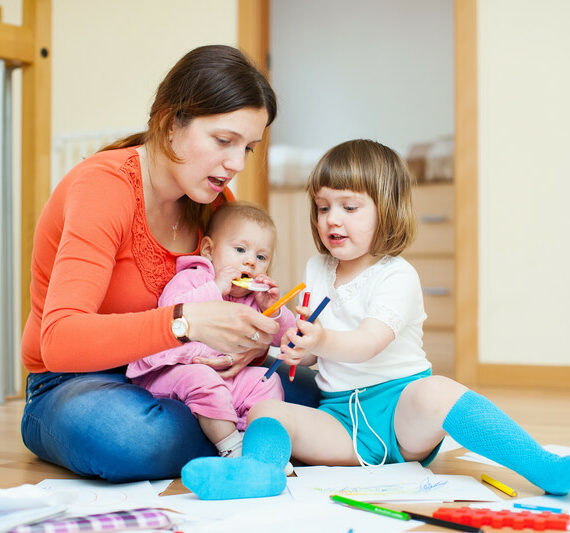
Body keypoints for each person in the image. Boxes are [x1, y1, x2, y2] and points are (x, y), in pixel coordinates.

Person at [183, 139, 570, 499]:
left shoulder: (396, 275)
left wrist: (319, 340)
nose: (333, 219)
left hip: (401, 412)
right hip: (338, 418)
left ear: (386, 210)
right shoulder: (317, 268)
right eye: (323, 207)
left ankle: (545, 468)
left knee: (438, 391)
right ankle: (258, 473)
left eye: (349, 208)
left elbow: (369, 341)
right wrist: (288, 330)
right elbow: (315, 352)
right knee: (266, 410)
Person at [20, 44, 319, 483]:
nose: (235, 164)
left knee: (317, 389)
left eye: (248, 148)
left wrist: (254, 343)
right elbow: (60, 341)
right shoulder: (104, 187)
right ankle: (248, 436)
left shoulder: (215, 203)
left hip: (178, 373)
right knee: (134, 438)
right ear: (171, 122)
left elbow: (238, 307)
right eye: (223, 141)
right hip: (75, 384)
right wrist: (185, 322)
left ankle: (230, 431)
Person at [127, 202, 296, 459]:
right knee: (202, 379)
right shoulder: (195, 278)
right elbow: (171, 310)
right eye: (240, 250)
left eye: (261, 257)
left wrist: (273, 310)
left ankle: (259, 444)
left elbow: (284, 339)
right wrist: (217, 288)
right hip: (172, 370)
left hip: (226, 377)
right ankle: (233, 451)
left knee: (267, 380)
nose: (250, 262)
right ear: (208, 249)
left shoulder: (253, 298)